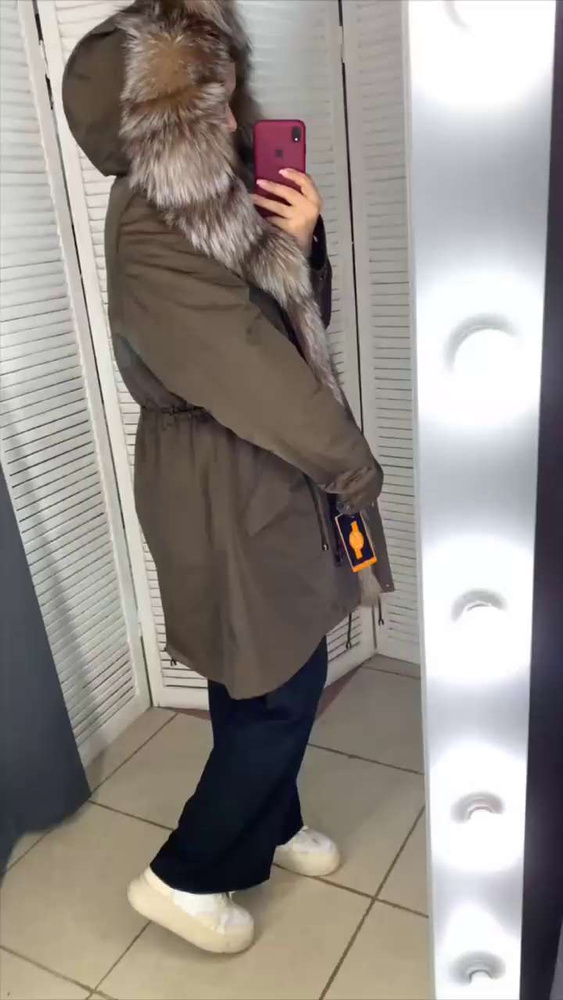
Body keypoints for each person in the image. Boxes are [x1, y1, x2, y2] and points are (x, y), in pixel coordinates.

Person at [63, 0, 393, 955]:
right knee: (276, 684)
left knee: (262, 668)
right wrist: (350, 464)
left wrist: (303, 238)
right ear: (172, 104)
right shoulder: (158, 219)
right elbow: (245, 365)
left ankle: (271, 824)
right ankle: (185, 876)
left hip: (260, 459)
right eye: (213, 84)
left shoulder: (214, 201)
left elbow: (290, 324)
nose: (236, 98)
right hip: (225, 471)